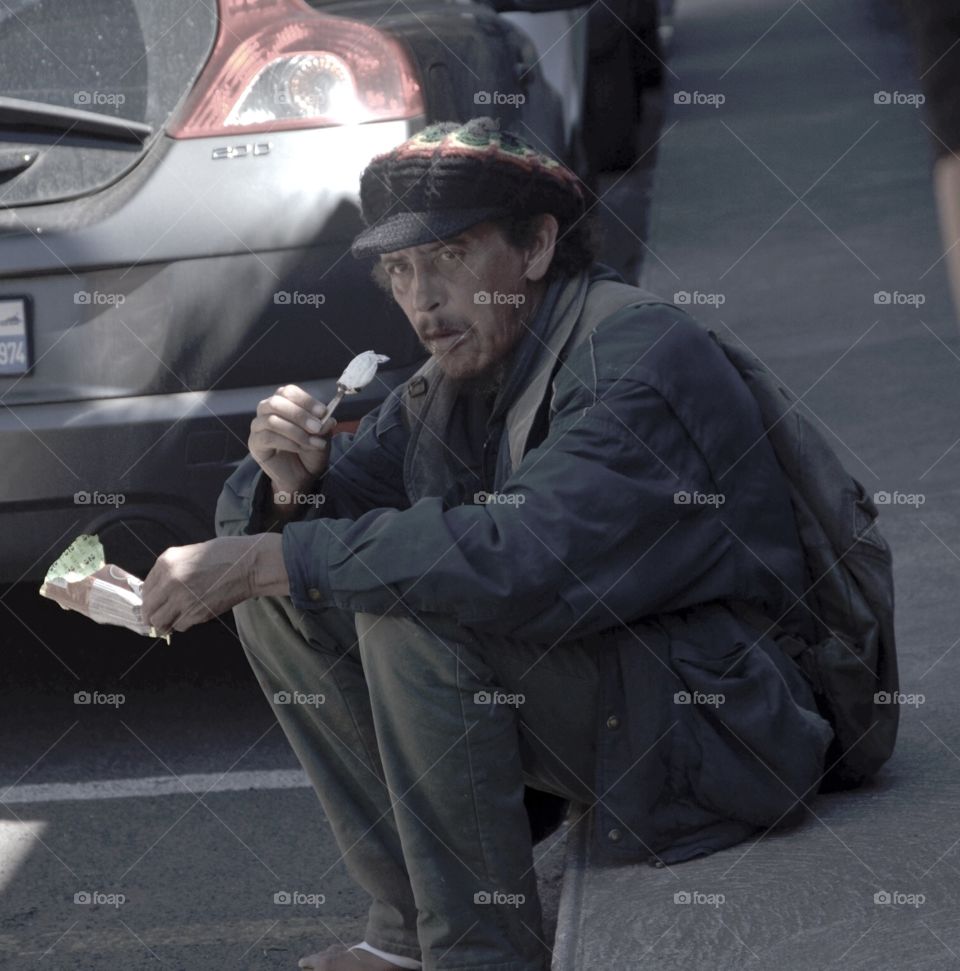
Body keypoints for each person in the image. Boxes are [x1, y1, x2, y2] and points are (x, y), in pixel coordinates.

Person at [141, 117, 835, 971]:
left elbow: (527, 554)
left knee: (401, 606)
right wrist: (289, 489)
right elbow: (331, 533)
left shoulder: (637, 355)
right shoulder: (455, 377)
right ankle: (406, 937)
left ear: (538, 246)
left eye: (451, 256)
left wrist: (265, 557)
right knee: (290, 593)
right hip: (632, 699)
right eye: (399, 270)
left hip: (731, 729)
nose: (422, 301)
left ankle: (481, 954)